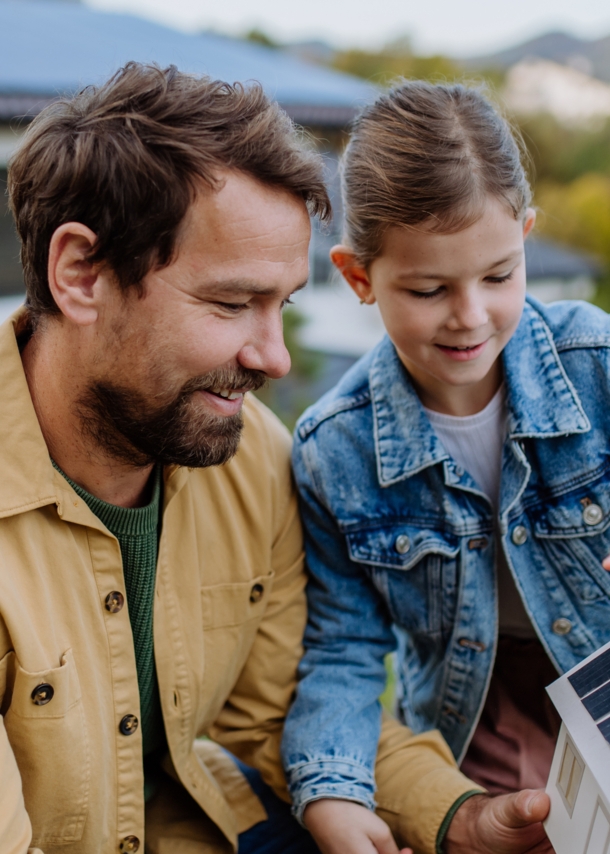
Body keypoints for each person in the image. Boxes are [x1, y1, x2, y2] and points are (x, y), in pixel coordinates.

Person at [0, 63, 549, 854]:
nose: (275, 358)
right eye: (231, 304)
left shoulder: (253, 457)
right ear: (82, 274)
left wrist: (455, 815)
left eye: (282, 305)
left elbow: (285, 701)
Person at [283, 79, 610, 853]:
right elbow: (343, 647)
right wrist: (332, 790)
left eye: (499, 276)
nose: (469, 314)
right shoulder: (335, 449)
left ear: (525, 237)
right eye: (429, 289)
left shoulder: (595, 364)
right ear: (359, 277)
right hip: (480, 714)